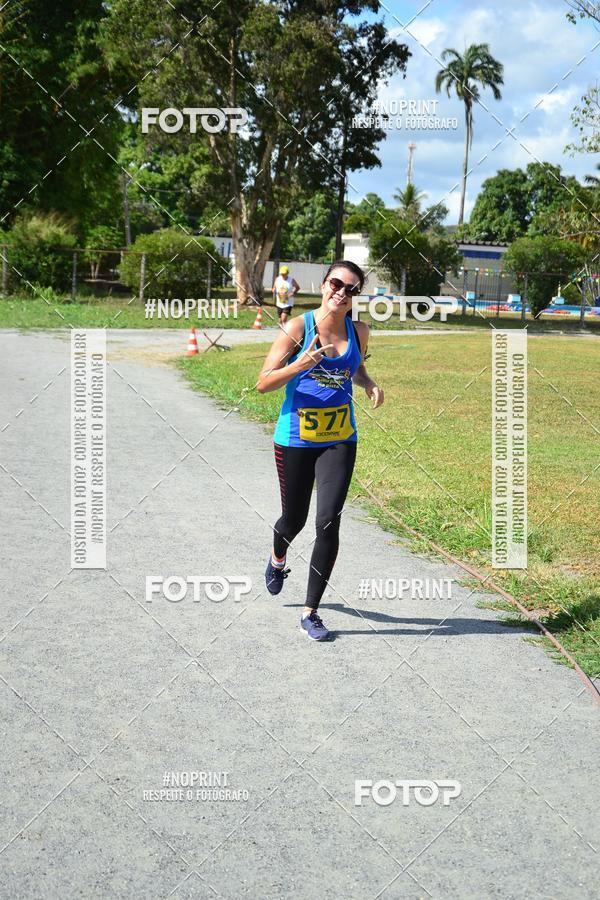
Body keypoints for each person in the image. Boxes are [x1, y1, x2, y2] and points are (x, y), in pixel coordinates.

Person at [257, 260, 384, 641]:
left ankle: (311, 612)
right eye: (336, 284)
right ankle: (278, 558)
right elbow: (263, 383)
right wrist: (301, 363)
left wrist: (368, 383)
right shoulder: (298, 327)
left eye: (351, 289)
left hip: (340, 438)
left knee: (328, 521)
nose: (341, 293)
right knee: (292, 521)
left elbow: (355, 368)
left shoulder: (359, 330)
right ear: (324, 284)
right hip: (295, 438)